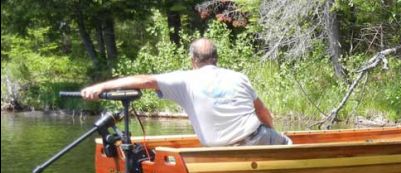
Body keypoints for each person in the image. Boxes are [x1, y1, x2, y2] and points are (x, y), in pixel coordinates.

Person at [80, 38, 291, 147]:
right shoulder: (238, 77)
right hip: (257, 139)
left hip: (219, 149)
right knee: (288, 144)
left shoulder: (185, 79)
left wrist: (102, 86)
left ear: (193, 61)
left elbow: (144, 80)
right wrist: (272, 137)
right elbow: (264, 114)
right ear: (216, 58)